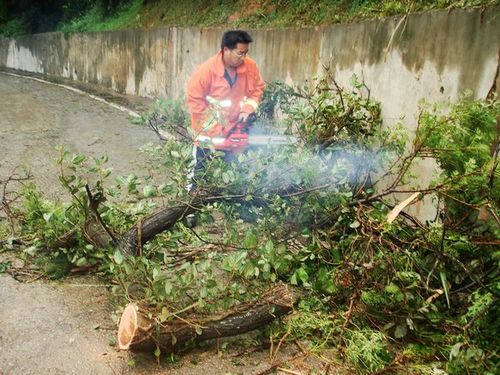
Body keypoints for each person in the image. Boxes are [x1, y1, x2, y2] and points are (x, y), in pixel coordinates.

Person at [186, 30, 266, 191]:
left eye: (246, 53)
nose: (243, 57)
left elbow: (258, 89)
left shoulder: (250, 67)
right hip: (207, 140)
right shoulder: (205, 72)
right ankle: (190, 215)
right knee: (198, 184)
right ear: (226, 50)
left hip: (234, 139)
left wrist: (247, 109)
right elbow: (196, 104)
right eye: (240, 53)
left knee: (235, 184)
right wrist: (219, 129)